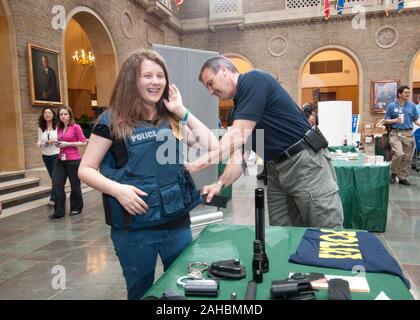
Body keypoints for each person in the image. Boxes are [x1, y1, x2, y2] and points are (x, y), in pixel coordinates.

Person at [78, 49, 218, 300]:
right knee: (141, 291)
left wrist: (182, 110)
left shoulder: (171, 117)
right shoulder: (111, 120)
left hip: (176, 221)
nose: (156, 82)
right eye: (148, 76)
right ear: (132, 79)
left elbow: (211, 145)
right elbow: (85, 170)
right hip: (135, 227)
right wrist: (117, 190)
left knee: (181, 286)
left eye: (160, 76)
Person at [187, 56, 343, 228]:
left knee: (327, 231)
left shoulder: (254, 80)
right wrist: (219, 183)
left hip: (305, 162)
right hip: (277, 169)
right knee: (282, 234)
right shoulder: (239, 110)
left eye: (210, 83)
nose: (210, 91)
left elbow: (236, 136)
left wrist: (198, 163)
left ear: (224, 70)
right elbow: (239, 159)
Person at [50, 106, 86, 219]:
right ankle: (59, 211)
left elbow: (84, 142)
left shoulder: (76, 127)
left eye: (65, 114)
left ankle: (76, 208)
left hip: (73, 160)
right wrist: (57, 143)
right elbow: (61, 141)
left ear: (70, 115)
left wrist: (68, 144)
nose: (63, 116)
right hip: (61, 160)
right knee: (57, 184)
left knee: (75, 185)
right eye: (61, 114)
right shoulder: (59, 128)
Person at [384, 85, 420, 186]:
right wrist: (394, 120)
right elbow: (385, 120)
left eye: (409, 92)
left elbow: (416, 119)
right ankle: (394, 172)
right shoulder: (391, 106)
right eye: (406, 93)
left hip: (408, 133)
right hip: (395, 133)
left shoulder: (412, 106)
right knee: (399, 154)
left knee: (407, 157)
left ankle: (403, 177)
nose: (408, 94)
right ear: (399, 94)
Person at [37, 106, 59, 207]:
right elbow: (38, 142)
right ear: (43, 115)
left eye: (49, 113)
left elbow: (61, 139)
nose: (47, 115)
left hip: (56, 155)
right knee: (53, 178)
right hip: (46, 156)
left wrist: (54, 142)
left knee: (55, 177)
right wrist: (44, 143)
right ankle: (59, 195)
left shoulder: (58, 126)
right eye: (45, 113)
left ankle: (53, 198)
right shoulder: (41, 127)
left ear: (53, 115)